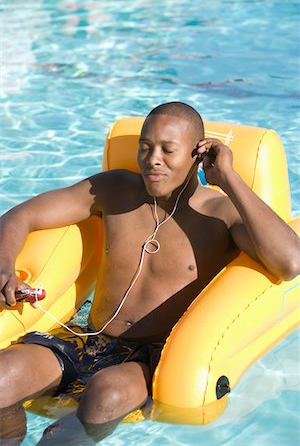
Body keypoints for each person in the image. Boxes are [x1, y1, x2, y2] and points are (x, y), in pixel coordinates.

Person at [0, 102, 299, 445]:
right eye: (145, 147)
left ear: (196, 155)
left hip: (149, 357)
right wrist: (4, 269)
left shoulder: (220, 215)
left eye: (168, 150)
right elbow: (21, 216)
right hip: (88, 338)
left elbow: (290, 263)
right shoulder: (114, 190)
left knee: (106, 395)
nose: (152, 159)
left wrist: (229, 178)